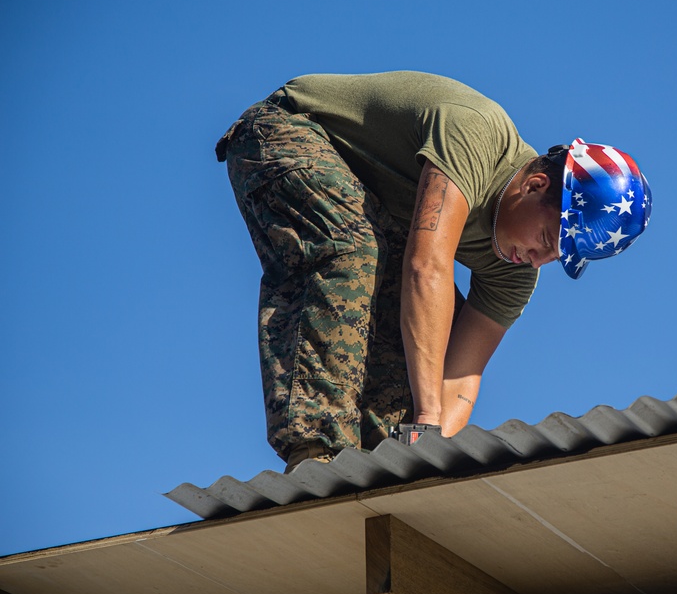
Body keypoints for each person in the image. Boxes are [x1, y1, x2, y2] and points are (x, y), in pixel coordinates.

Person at [215, 71, 652, 472]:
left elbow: (460, 376)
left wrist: (431, 447)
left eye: (558, 257)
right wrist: (426, 417)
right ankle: (314, 451)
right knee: (353, 251)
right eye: (548, 240)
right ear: (536, 186)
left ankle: (371, 464)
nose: (540, 259)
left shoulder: (514, 273)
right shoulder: (476, 133)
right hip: (284, 133)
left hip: (373, 209)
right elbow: (427, 266)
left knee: (424, 345)